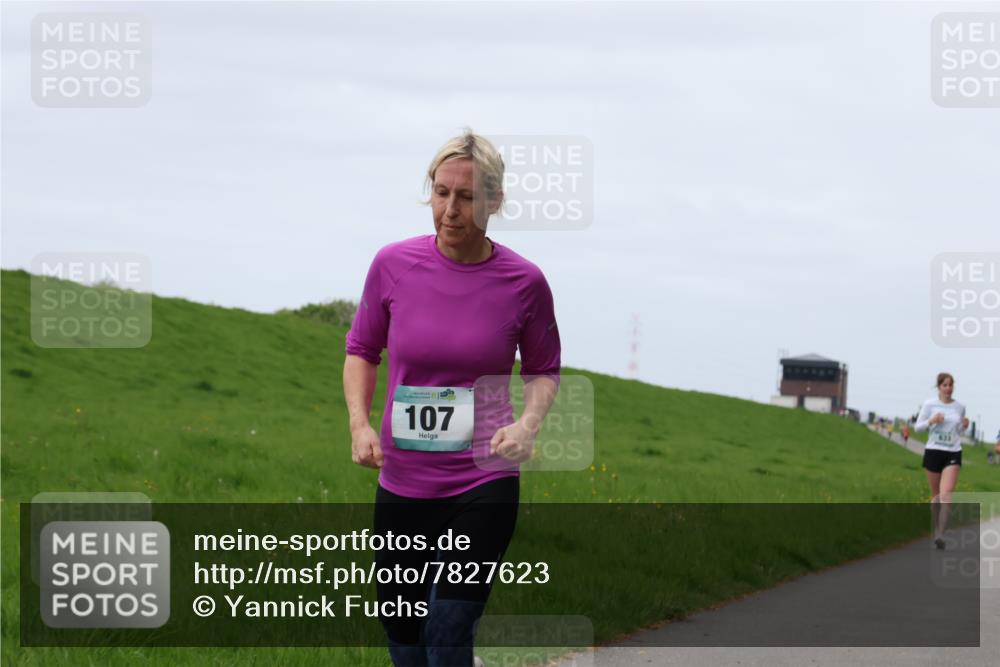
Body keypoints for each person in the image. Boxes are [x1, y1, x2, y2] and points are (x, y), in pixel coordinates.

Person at [343, 129, 561, 666]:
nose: (451, 209)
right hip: (403, 482)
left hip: (483, 479)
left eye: (466, 197)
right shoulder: (392, 265)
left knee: (447, 628)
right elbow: (362, 349)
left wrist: (528, 424)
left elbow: (543, 370)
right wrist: (359, 424)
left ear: (494, 201)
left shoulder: (523, 282)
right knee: (407, 645)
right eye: (441, 193)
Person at [913, 372, 970, 549]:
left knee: (946, 495)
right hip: (933, 451)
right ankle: (936, 527)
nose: (948, 388)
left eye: (950, 385)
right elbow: (918, 428)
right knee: (936, 496)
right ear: (939, 387)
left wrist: (964, 425)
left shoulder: (960, 407)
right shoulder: (930, 404)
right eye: (944, 385)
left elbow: (959, 431)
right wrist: (932, 420)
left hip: (952, 452)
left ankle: (941, 535)